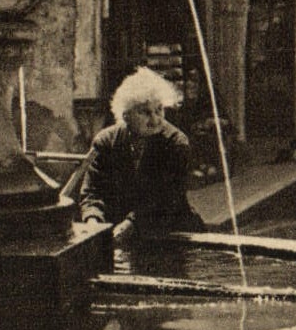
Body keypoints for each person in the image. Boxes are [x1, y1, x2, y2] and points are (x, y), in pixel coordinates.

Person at [78, 67, 204, 240]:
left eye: (159, 110)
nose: (155, 119)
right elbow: (93, 191)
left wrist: (131, 223)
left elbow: (166, 198)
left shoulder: (176, 143)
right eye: (145, 112)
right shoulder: (105, 141)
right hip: (117, 230)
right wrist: (93, 221)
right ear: (126, 115)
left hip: (168, 230)